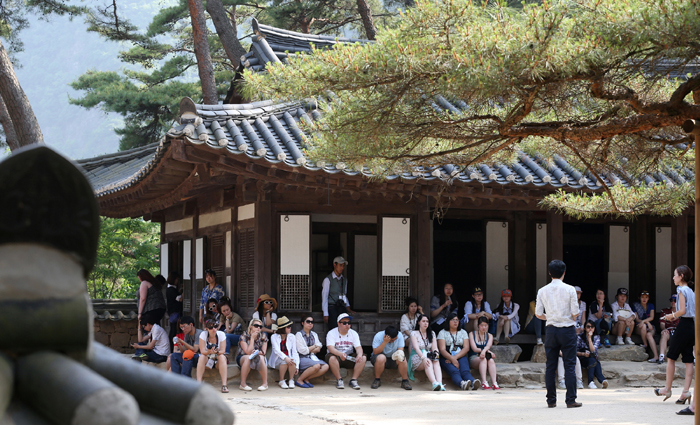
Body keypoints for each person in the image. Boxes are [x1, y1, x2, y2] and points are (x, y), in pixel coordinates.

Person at [536, 259, 581, 408]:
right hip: (567, 329)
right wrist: (568, 316)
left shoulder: (542, 290)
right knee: (569, 365)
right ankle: (570, 399)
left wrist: (549, 316)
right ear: (564, 272)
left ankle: (551, 400)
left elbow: (538, 314)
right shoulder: (570, 289)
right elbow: (575, 313)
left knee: (550, 366)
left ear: (549, 273)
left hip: (551, 329)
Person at [654, 265, 695, 405]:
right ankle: (685, 392)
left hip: (683, 325)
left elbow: (682, 310)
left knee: (671, 357)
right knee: (689, 358)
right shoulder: (691, 291)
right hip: (692, 326)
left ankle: (667, 389)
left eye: (675, 275)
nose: (673, 277)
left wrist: (670, 316)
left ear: (681, 276)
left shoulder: (681, 290)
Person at [438, 312, 479, 390]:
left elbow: (466, 348)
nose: (455, 322)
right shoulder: (442, 333)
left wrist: (455, 358)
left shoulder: (463, 332)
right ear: (448, 321)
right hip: (446, 357)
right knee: (454, 371)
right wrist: (452, 359)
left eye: (457, 320)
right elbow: (442, 349)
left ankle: (473, 382)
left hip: (460, 355)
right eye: (453, 320)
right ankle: (462, 383)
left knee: (465, 371)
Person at [326, 313, 366, 390]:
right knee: (332, 358)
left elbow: (358, 347)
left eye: (349, 323)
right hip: (336, 355)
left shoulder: (353, 333)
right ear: (338, 323)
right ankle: (339, 380)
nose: (347, 325)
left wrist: (359, 355)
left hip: (348, 356)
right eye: (344, 323)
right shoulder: (331, 333)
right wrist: (340, 354)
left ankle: (354, 380)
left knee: (363, 357)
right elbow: (330, 348)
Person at [409, 313, 445, 391]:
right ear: (419, 322)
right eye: (423, 321)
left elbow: (435, 347)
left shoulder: (432, 333)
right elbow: (416, 348)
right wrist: (423, 358)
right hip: (417, 356)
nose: (426, 323)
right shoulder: (414, 333)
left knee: (436, 360)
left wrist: (436, 354)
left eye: (427, 321)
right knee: (428, 360)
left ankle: (440, 383)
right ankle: (434, 383)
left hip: (428, 354)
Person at [371, 325, 411, 390]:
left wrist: (398, 354)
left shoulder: (399, 335)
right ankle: (377, 380)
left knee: (402, 358)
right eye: (392, 340)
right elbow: (375, 352)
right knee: (381, 357)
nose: (393, 341)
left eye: (395, 340)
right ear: (385, 336)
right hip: (379, 358)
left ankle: (405, 381)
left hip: (393, 358)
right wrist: (385, 342)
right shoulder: (378, 336)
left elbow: (401, 350)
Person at [322, 256, 357, 330]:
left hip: (341, 306)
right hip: (332, 307)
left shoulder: (344, 280)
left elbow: (344, 294)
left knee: (346, 326)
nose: (342, 268)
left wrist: (348, 308)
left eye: (343, 266)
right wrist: (325, 313)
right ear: (335, 265)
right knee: (334, 327)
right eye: (340, 265)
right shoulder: (328, 280)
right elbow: (324, 296)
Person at [295, 313, 329, 388]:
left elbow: (319, 347)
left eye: (312, 322)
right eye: (308, 321)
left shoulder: (314, 334)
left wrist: (309, 349)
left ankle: (306, 379)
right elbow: (302, 351)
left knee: (326, 366)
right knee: (316, 366)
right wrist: (314, 346)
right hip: (301, 358)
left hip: (312, 357)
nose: (310, 323)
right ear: (303, 323)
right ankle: (299, 380)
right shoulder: (298, 334)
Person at [195, 319, 228, 393]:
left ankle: (224, 385)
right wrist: (209, 352)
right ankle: (198, 384)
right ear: (206, 328)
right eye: (211, 327)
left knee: (222, 357)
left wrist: (217, 352)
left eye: (215, 326)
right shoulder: (203, 334)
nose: (214, 329)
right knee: (201, 357)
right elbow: (202, 351)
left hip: (217, 358)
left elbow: (223, 350)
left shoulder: (221, 334)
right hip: (207, 358)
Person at [237, 318, 269, 391]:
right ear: (251, 326)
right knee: (248, 357)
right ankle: (243, 384)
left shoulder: (263, 336)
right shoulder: (244, 336)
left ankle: (265, 384)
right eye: (256, 326)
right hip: (243, 357)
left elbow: (263, 352)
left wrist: (256, 352)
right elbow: (247, 352)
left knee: (261, 357)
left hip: (257, 356)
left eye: (260, 327)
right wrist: (252, 339)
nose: (258, 328)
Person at [468, 316, 499, 390]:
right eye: (482, 325)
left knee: (491, 360)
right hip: (474, 357)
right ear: (478, 325)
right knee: (483, 359)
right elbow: (474, 348)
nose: (484, 327)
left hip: (484, 355)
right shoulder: (472, 334)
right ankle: (484, 382)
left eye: (485, 325)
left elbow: (488, 346)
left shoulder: (489, 335)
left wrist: (486, 351)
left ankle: (494, 383)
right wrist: (486, 351)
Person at [269, 316, 299, 389]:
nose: (290, 328)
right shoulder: (274, 337)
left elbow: (295, 352)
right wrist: (286, 358)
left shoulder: (292, 336)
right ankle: (281, 380)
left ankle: (291, 380)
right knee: (284, 361)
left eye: (290, 326)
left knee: (292, 360)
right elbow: (276, 350)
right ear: (283, 328)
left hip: (289, 358)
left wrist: (297, 366)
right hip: (277, 360)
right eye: (288, 327)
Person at [577, 319, 609, 389]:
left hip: (592, 358)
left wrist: (589, 339)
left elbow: (593, 350)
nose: (590, 328)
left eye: (592, 327)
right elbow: (575, 351)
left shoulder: (596, 337)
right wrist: (583, 354)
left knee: (594, 361)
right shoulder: (579, 337)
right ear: (585, 328)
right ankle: (591, 381)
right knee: (593, 360)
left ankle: (602, 381)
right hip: (582, 358)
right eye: (588, 327)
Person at [633, 290, 659, 362]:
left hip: (650, 326)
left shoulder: (651, 305)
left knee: (649, 335)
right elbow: (637, 319)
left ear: (648, 298)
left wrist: (646, 322)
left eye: (646, 297)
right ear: (639, 298)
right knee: (643, 326)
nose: (644, 299)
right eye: (642, 297)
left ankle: (656, 356)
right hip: (639, 326)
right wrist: (645, 323)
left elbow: (652, 317)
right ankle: (645, 344)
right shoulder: (636, 305)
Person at [658, 294, 680, 364]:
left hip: (680, 332)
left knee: (691, 335)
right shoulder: (665, 311)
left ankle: (694, 358)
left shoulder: (682, 312)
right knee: (664, 334)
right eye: (671, 300)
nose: (673, 302)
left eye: (675, 300)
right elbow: (662, 323)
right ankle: (661, 357)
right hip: (669, 330)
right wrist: (664, 329)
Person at [165, 271, 183, 352]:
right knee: (174, 330)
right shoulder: (171, 290)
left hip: (172, 312)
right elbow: (180, 299)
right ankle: (173, 348)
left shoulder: (171, 289)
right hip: (174, 312)